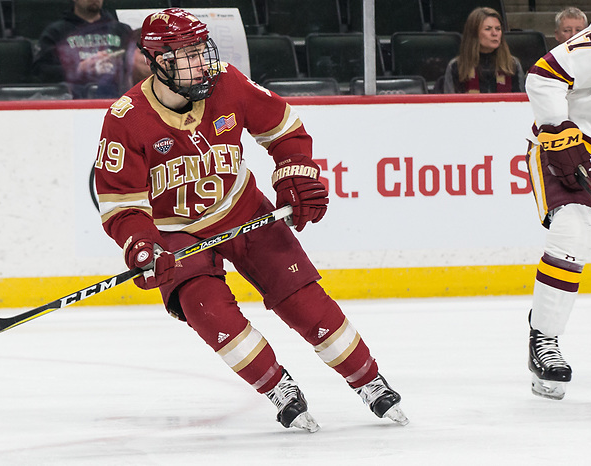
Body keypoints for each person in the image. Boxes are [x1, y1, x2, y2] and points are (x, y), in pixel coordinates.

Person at [94, 8, 409, 432]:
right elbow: (120, 205)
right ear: (158, 61)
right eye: (187, 55)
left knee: (304, 300)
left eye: (201, 51)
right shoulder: (125, 119)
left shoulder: (226, 80)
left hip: (241, 207)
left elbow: (283, 128)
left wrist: (295, 170)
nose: (201, 63)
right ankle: (278, 387)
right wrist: (142, 245)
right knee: (207, 311)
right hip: (176, 233)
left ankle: (369, 381)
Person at [524, 14, 591, 400]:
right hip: (571, 151)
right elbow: (543, 76)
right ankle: (545, 341)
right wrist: (558, 131)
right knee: (574, 230)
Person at [33, 0, 150, 99]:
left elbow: (134, 69)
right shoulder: (56, 32)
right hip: (71, 102)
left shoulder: (122, 30)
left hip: (118, 100)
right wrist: (77, 70)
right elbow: (41, 72)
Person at [443, 7, 524, 94]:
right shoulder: (456, 66)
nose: (494, 33)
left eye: (498, 29)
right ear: (474, 34)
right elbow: (450, 104)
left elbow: (521, 103)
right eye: (488, 29)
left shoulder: (512, 64)